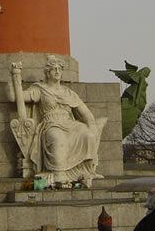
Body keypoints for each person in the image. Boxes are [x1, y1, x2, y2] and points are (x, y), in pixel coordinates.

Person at [8, 56, 103, 186]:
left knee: (88, 135)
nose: (57, 71)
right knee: (57, 139)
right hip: (51, 124)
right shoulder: (40, 89)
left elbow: (86, 115)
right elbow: (14, 97)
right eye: (54, 69)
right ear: (48, 73)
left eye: (59, 69)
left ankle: (85, 171)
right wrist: (14, 76)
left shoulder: (68, 93)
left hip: (70, 124)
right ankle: (59, 173)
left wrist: (92, 128)